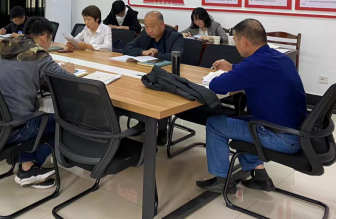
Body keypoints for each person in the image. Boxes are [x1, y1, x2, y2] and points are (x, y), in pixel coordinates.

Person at [196, 19, 307, 194]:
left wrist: (227, 72)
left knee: (215, 124)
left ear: (244, 41)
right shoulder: (280, 58)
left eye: (235, 40)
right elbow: (256, 72)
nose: (235, 45)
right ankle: (261, 178)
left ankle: (222, 181)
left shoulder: (253, 64)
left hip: (281, 137)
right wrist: (233, 67)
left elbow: (217, 85)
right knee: (239, 122)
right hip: (296, 131)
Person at [0, 17, 76, 189]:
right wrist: (68, 70)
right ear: (44, 38)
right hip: (16, 127)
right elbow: (67, 80)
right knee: (64, 122)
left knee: (30, 112)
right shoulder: (38, 55)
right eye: (50, 40)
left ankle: (27, 165)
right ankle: (29, 169)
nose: (49, 44)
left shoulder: (8, 46)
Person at [123, 11, 185, 145]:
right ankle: (143, 122)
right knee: (139, 88)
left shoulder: (175, 36)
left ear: (162, 25)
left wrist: (155, 55)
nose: (149, 30)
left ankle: (162, 129)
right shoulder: (145, 35)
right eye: (146, 26)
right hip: (147, 74)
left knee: (162, 93)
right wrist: (143, 52)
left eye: (152, 26)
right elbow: (127, 48)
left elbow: (176, 55)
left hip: (169, 76)